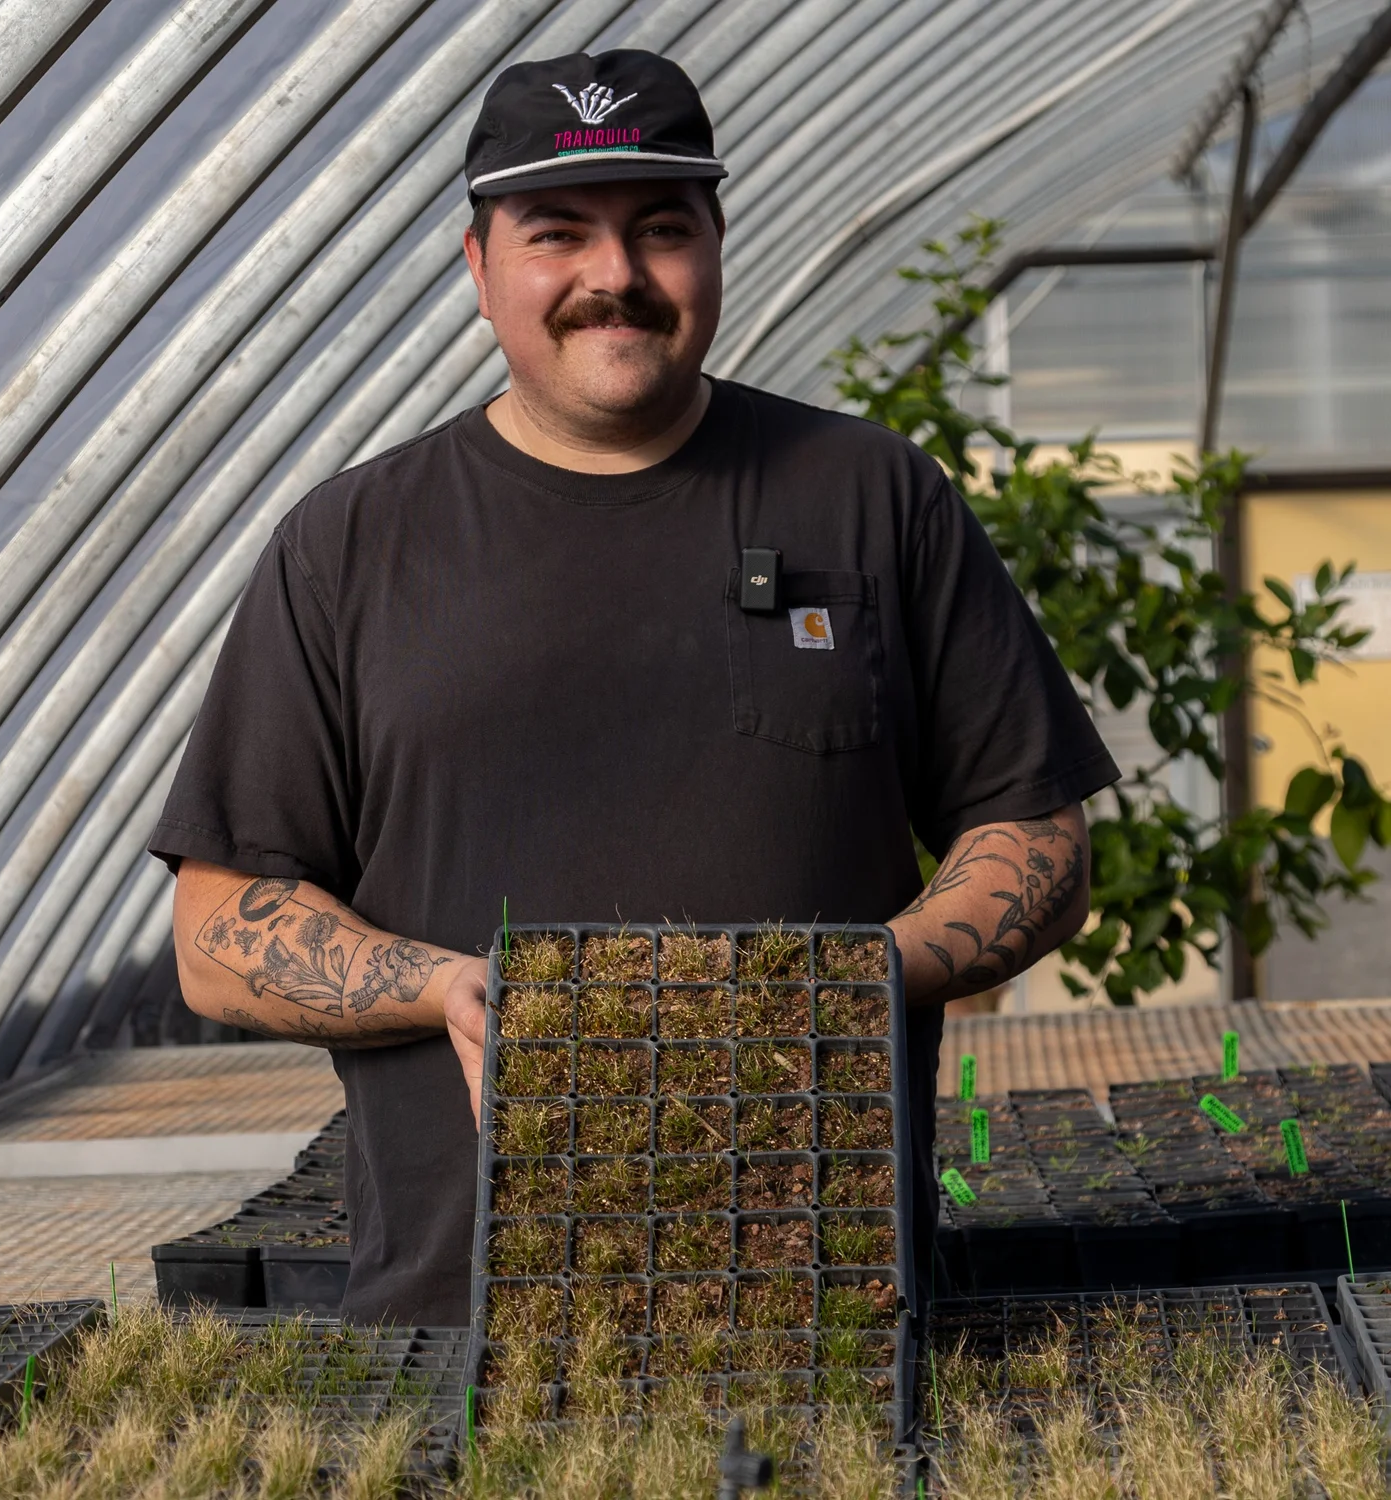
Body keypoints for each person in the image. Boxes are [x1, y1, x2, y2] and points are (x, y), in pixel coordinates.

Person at [148, 49, 1116, 1325]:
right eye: (558, 232)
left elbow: (1038, 839)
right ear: (478, 267)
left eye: (661, 228)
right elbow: (219, 932)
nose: (614, 274)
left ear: (715, 247)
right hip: (455, 1314)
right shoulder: (352, 546)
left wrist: (841, 988)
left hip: (832, 1302)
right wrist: (447, 991)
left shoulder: (871, 497)